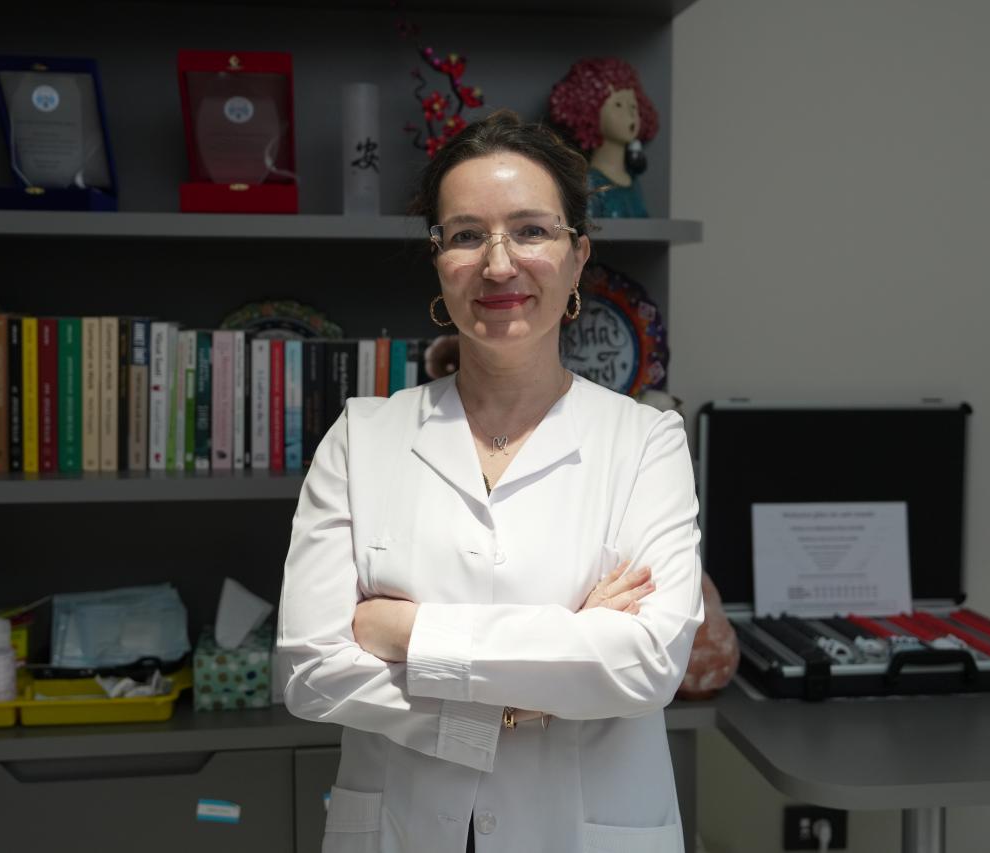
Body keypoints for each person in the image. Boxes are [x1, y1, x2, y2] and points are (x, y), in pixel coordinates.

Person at [278, 109, 731, 853]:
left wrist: (402, 631)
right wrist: (514, 703)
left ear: (577, 256)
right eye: (465, 235)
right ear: (438, 259)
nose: (498, 264)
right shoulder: (362, 438)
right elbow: (310, 669)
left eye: (530, 230)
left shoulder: (646, 441)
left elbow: (645, 665)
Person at [548, 57, 659, 218]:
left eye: (633, 106)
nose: (630, 114)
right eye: (618, 105)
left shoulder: (633, 180)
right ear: (590, 110)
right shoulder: (589, 183)